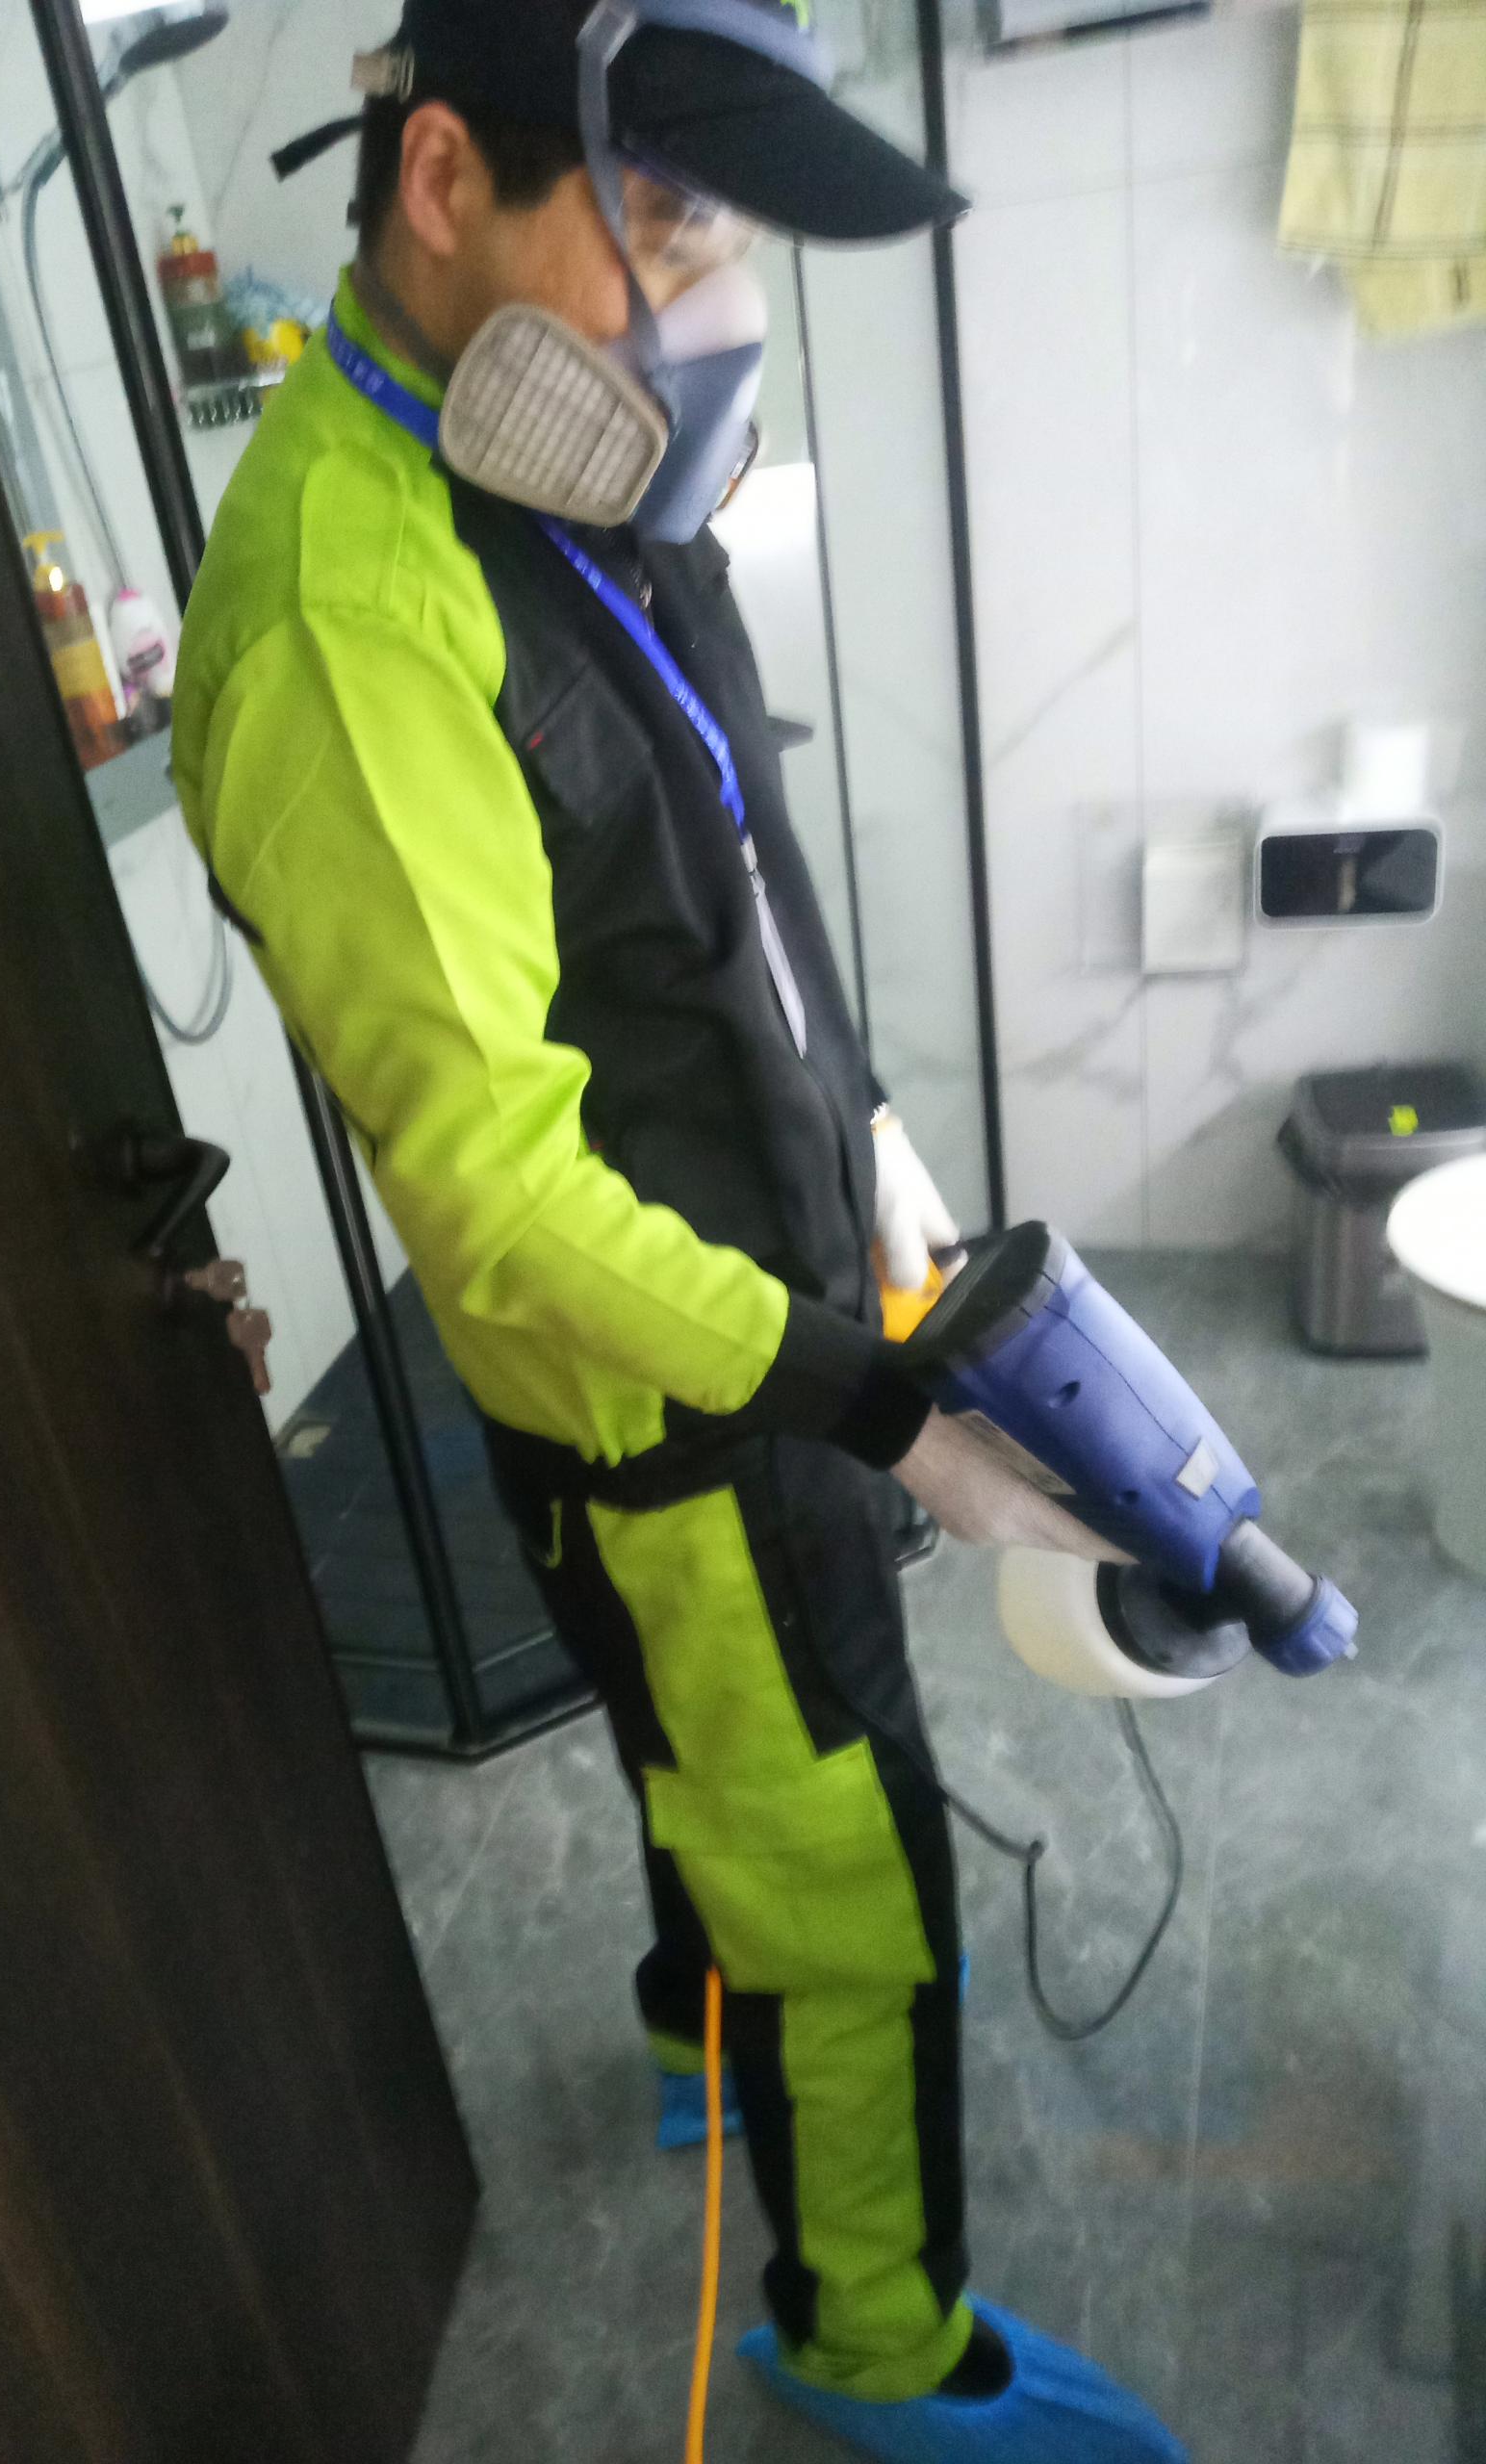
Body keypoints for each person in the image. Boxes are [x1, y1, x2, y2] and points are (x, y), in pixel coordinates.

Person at [173, 4, 1186, 2455]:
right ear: (445, 180)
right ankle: (872, 2338)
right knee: (849, 1867)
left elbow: (716, 852)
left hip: (771, 1274)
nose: (711, 306)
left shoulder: (549, 437)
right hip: (684, 1394)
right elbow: (504, 1194)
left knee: (700, 1751)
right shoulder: (347, 619)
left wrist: (877, 1156)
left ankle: (689, 2022)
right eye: (670, 224)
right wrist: (886, 1409)